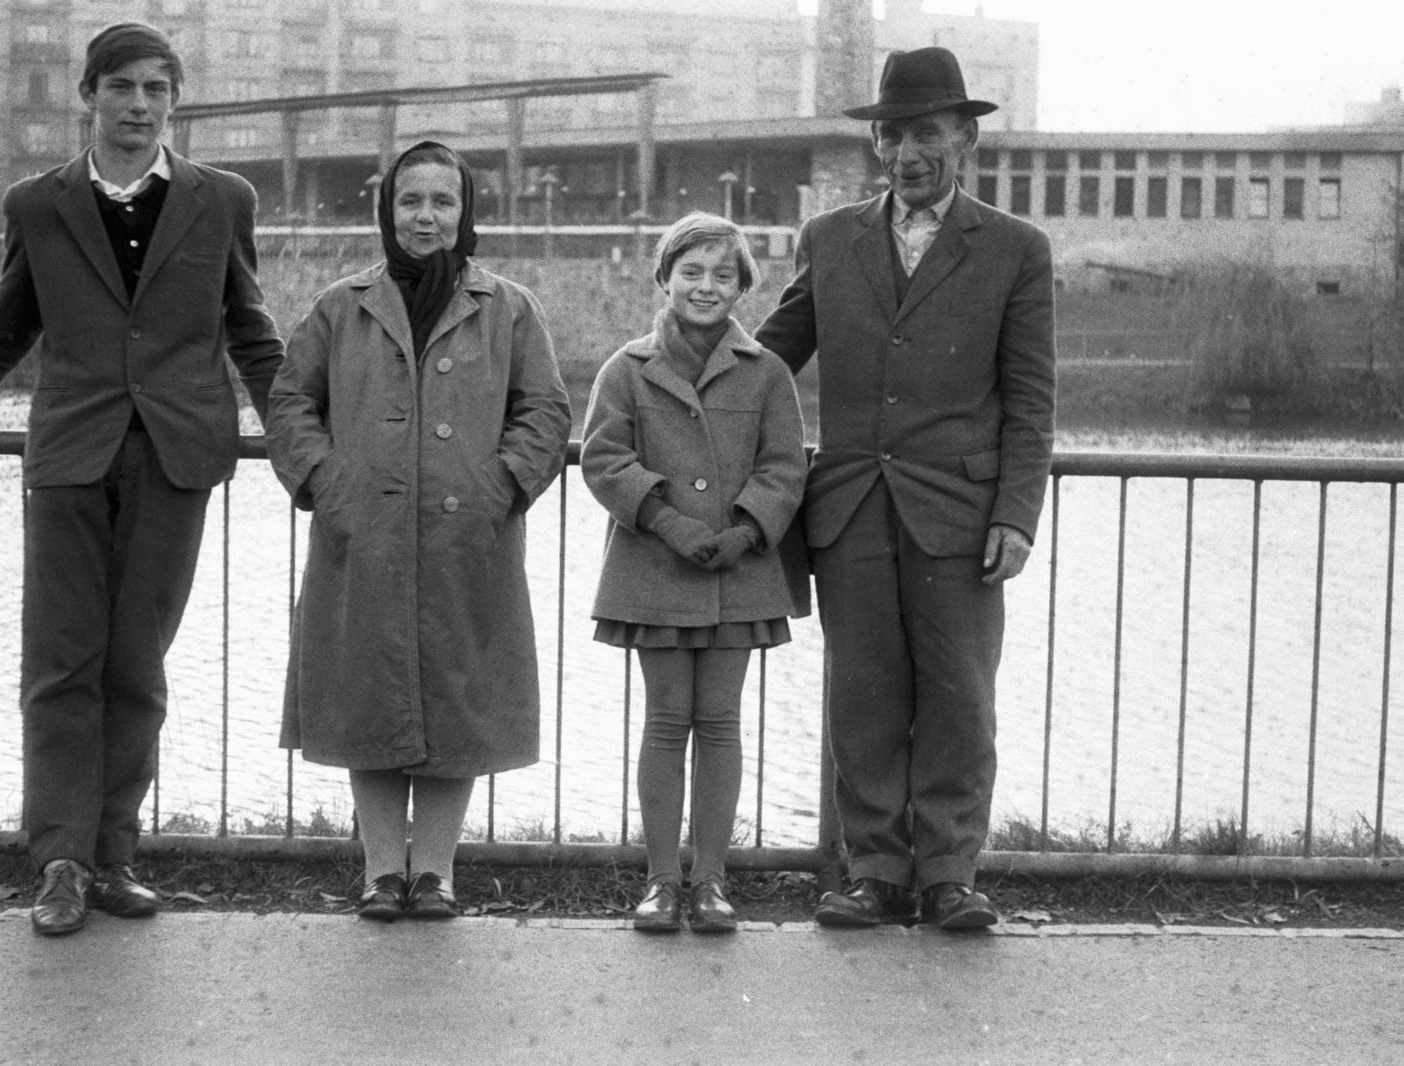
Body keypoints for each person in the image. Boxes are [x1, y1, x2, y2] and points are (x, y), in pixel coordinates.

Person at [0, 22, 284, 936]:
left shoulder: (222, 199)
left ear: (175, 101)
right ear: (86, 95)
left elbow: (251, 331)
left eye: (156, 89)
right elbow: (3, 330)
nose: (138, 105)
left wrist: (303, 438)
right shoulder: (38, 204)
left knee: (137, 667)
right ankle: (57, 864)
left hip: (175, 459)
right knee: (60, 668)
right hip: (71, 459)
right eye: (120, 87)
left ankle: (114, 858)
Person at [754, 46, 1056, 930]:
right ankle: (876, 871)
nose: (908, 151)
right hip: (849, 508)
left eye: (927, 132)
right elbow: (770, 358)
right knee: (864, 694)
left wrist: (1017, 516)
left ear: (965, 138)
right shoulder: (829, 238)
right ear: (877, 145)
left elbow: (1032, 402)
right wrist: (665, 377)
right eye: (893, 134)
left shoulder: (1016, 251)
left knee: (960, 693)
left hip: (962, 517)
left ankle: (950, 874)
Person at [267, 141, 571, 921]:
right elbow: (290, 403)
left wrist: (499, 485)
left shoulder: (509, 307)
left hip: (469, 539)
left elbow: (545, 411)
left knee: (454, 697)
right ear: (387, 211)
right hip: (360, 536)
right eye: (411, 202)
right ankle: (379, 871)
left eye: (442, 201)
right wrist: (327, 485)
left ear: (466, 211)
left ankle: (434, 871)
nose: (426, 217)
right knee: (368, 695)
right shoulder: (342, 306)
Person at [582, 212, 806, 933]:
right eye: (691, 272)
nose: (706, 287)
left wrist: (746, 529)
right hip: (655, 566)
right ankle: (658, 882)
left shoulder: (767, 372)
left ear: (743, 286)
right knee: (665, 720)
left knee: (720, 723)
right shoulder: (627, 367)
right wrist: (671, 522)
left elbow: (784, 464)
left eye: (722, 274)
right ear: (665, 278)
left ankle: (710, 881)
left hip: (740, 572)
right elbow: (604, 458)